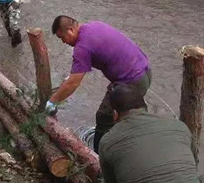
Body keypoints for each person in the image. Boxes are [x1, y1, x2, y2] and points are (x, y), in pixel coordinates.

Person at [100, 83, 204, 183]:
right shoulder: (179, 126)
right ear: (145, 107)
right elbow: (194, 166)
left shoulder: (107, 141)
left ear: (115, 114)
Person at [46, 16, 151, 153]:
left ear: (70, 30)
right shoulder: (94, 26)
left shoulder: (82, 47)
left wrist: (52, 101)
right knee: (125, 117)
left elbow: (73, 83)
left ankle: (99, 156)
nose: (64, 42)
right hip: (145, 71)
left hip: (132, 81)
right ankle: (126, 146)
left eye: (62, 38)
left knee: (104, 116)